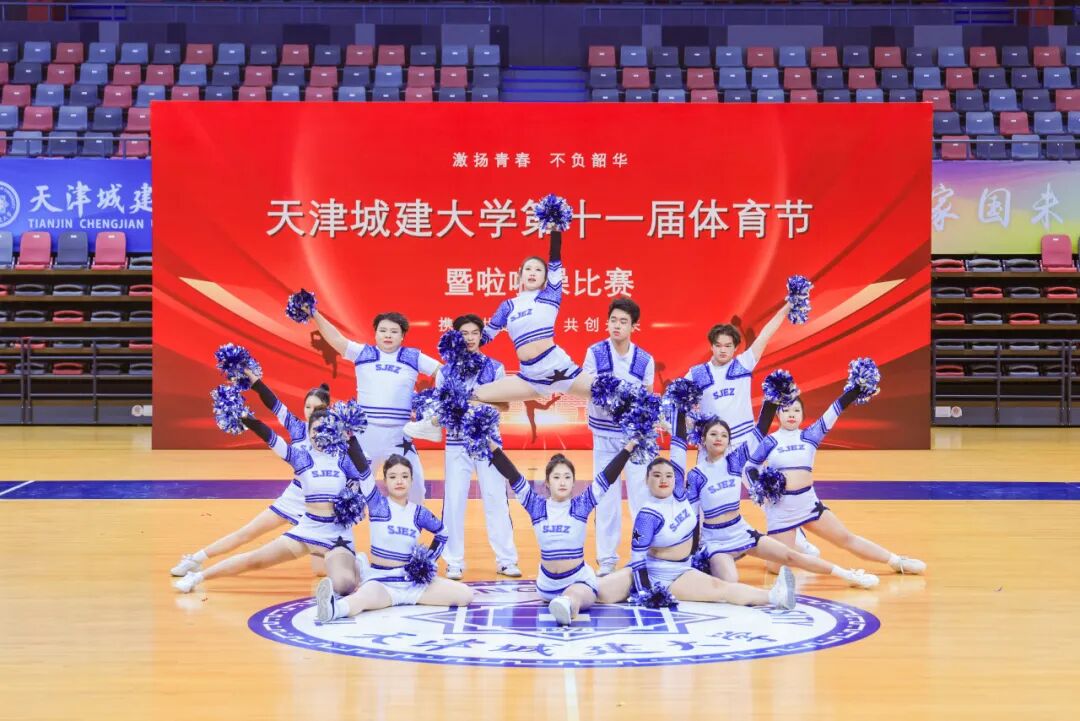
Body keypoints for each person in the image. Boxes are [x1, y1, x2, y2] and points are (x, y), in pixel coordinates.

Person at [596, 411, 797, 610]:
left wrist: (680, 411)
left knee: (722, 589)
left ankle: (776, 596)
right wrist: (646, 592)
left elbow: (678, 449)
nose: (663, 479)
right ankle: (576, 591)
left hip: (681, 570)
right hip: (648, 570)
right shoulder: (648, 514)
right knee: (598, 592)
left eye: (668, 475)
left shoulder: (682, 497)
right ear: (646, 481)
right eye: (656, 475)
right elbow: (638, 559)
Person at [745, 379, 927, 576]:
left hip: (808, 504)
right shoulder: (770, 441)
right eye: (786, 410)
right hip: (781, 509)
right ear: (778, 414)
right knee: (774, 568)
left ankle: (897, 561)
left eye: (796, 410)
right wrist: (760, 488)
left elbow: (834, 410)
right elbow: (750, 468)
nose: (791, 414)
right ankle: (793, 545)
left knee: (846, 538)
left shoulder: (810, 435)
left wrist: (855, 390)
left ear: (803, 415)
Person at [174, 409, 362, 595]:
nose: (317, 434)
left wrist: (353, 500)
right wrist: (248, 419)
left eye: (323, 429)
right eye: (314, 430)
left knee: (344, 586)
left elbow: (363, 483)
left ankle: (356, 565)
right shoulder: (302, 458)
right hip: (307, 530)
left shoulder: (344, 459)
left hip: (336, 537)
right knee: (255, 560)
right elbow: (272, 438)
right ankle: (197, 577)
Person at [684, 306, 821, 558]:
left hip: (746, 443)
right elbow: (677, 403)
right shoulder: (696, 374)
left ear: (735, 348)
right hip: (712, 446)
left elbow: (765, 335)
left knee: (766, 493)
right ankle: (704, 545)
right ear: (711, 346)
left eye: (728, 345)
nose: (723, 350)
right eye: (718, 345)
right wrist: (690, 426)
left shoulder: (743, 364)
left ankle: (797, 540)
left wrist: (787, 308)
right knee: (703, 497)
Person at [169, 372, 330, 578]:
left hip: (318, 506)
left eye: (317, 408)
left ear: (328, 408)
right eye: (308, 407)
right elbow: (273, 403)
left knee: (320, 571)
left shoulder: (336, 433)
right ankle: (195, 560)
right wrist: (253, 380)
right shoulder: (297, 427)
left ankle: (355, 562)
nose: (311, 412)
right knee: (247, 532)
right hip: (293, 498)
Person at [689, 417, 878, 589]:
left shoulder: (735, 461)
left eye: (724, 435)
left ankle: (848, 575)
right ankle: (718, 567)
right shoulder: (696, 475)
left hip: (741, 532)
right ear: (703, 439)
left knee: (790, 555)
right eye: (713, 434)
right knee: (731, 581)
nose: (719, 438)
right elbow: (693, 517)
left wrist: (774, 399)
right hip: (716, 540)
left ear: (729, 441)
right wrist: (692, 554)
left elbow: (760, 429)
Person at [407, 314, 521, 581]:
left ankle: (506, 560)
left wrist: (470, 403)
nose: (470, 338)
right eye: (464, 333)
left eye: (474, 333)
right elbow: (439, 409)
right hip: (456, 443)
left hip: (488, 443)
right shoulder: (445, 372)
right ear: (455, 337)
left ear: (482, 336)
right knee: (454, 501)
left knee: (496, 499)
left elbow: (504, 405)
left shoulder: (495, 368)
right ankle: (454, 561)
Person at [487, 440, 636, 626]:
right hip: (547, 586)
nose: (562, 482)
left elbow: (607, 477)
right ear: (547, 482)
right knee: (595, 591)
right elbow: (512, 475)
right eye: (556, 477)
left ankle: (567, 603)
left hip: (578, 580)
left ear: (574, 482)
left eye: (567, 477)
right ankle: (567, 603)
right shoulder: (536, 506)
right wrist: (491, 447)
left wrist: (628, 448)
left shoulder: (581, 505)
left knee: (589, 589)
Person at [314, 450, 473, 621]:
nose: (399, 481)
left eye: (405, 476)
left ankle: (368, 577)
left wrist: (428, 561)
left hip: (413, 583)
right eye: (393, 477)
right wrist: (351, 440)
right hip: (383, 583)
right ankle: (332, 609)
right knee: (361, 600)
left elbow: (442, 532)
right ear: (385, 481)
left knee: (464, 595)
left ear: (411, 480)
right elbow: (364, 472)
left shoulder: (419, 513)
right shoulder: (377, 504)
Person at [312, 308, 439, 503]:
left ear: (402, 336)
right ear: (375, 333)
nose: (388, 335)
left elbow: (442, 372)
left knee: (416, 491)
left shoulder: (413, 357)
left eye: (394, 331)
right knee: (351, 488)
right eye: (383, 330)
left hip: (399, 435)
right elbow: (336, 339)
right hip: (365, 434)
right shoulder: (363, 353)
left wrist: (434, 401)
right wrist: (314, 313)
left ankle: (409, 522)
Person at [467, 230, 597, 403]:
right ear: (520, 274)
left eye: (538, 270)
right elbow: (486, 335)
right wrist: (461, 344)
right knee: (474, 396)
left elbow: (555, 260)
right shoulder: (508, 306)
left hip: (561, 370)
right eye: (528, 269)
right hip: (529, 378)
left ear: (545, 277)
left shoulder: (550, 296)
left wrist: (555, 230)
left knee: (612, 396)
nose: (532, 273)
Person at [581, 296, 655, 576]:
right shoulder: (594, 352)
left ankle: (641, 555)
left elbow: (647, 399)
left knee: (640, 496)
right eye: (613, 320)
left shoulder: (645, 359)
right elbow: (587, 388)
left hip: (635, 439)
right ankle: (607, 560)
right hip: (603, 435)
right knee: (605, 496)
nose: (617, 326)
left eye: (624, 321)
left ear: (634, 326)